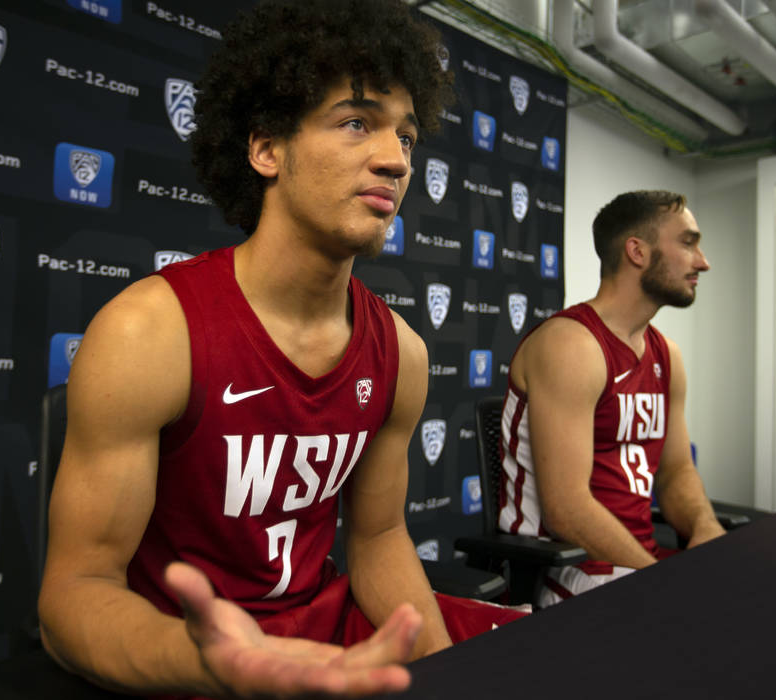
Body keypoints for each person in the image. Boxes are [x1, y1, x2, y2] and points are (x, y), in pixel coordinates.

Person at [37, 1, 526, 698]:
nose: (394, 160)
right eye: (356, 123)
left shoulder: (402, 354)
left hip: (325, 632)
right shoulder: (152, 332)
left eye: (408, 138)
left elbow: (381, 538)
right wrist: (210, 661)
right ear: (267, 148)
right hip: (185, 655)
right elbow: (74, 596)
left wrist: (443, 666)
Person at [498, 190, 726, 608]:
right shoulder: (571, 345)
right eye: (689, 243)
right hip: (570, 567)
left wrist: (705, 526)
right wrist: (661, 579)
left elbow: (675, 472)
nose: (703, 262)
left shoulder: (666, 355)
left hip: (634, 562)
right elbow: (566, 510)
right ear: (637, 251)